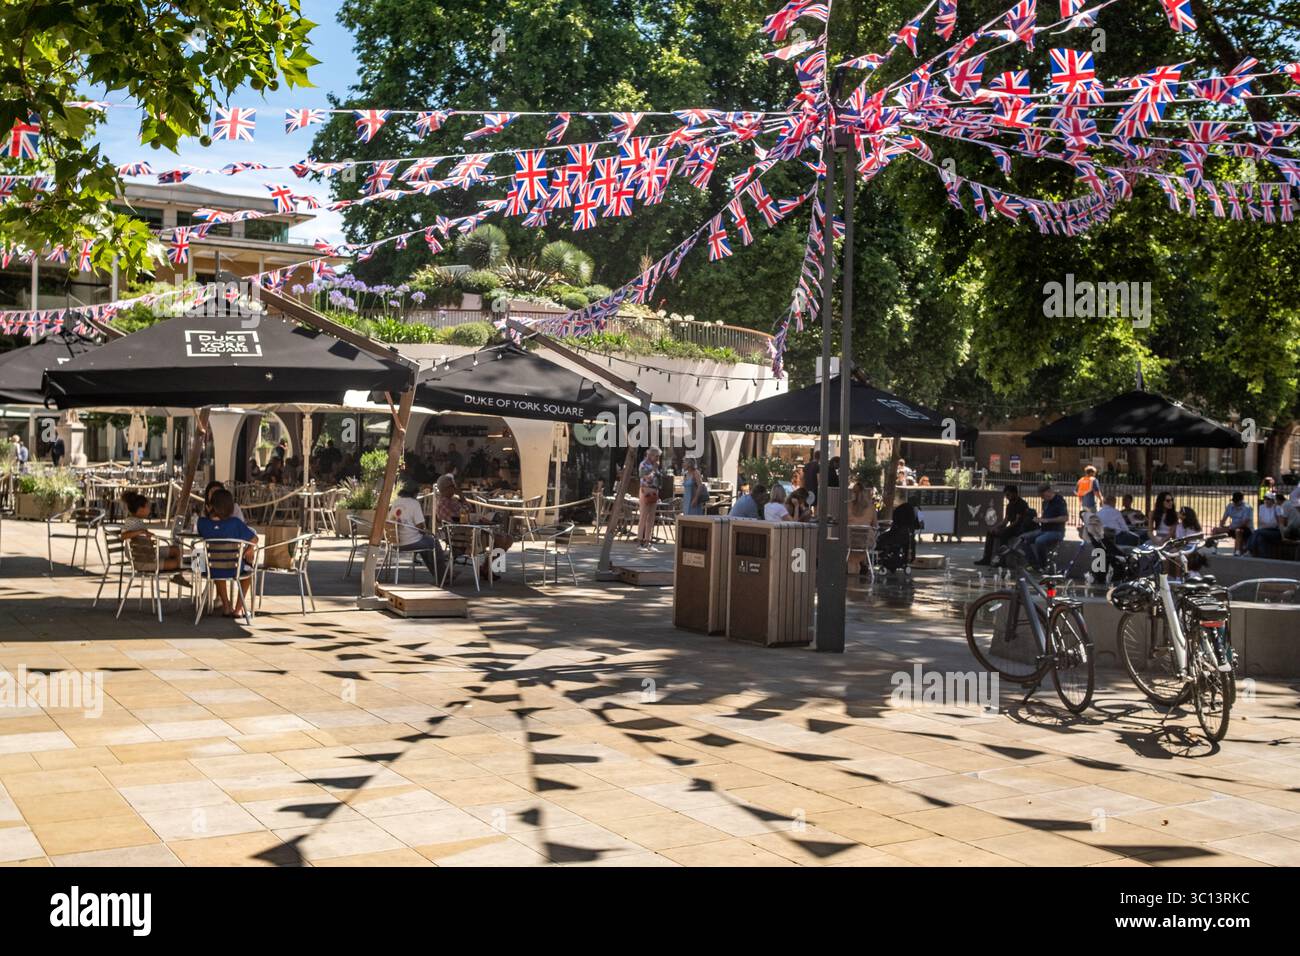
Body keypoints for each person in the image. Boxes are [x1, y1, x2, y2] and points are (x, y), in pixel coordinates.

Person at [197, 488, 258, 618]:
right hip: (235, 569)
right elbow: (254, 538)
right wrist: (249, 549)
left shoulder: (202, 523)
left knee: (214, 564)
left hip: (212, 570)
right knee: (248, 572)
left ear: (210, 506)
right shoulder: (235, 523)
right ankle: (238, 609)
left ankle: (226, 606)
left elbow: (206, 530)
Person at [120, 490, 187, 584]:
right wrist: (141, 531)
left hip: (148, 554)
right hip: (142, 561)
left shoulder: (137, 521)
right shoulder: (131, 521)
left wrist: (146, 533)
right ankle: (200, 571)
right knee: (179, 563)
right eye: (148, 507)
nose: (150, 509)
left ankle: (180, 576)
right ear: (140, 509)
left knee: (176, 550)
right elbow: (123, 536)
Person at [389, 481, 445, 581]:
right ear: (414, 493)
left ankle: (440, 575)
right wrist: (428, 532)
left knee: (426, 544)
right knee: (434, 542)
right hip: (410, 541)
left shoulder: (396, 502)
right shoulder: (414, 503)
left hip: (396, 542)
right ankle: (443, 575)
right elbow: (420, 527)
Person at [975, 484, 1031, 566]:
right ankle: (986, 558)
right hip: (1012, 527)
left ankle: (1002, 560)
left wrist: (1005, 529)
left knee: (1003, 534)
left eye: (1008, 494)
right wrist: (995, 528)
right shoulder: (1009, 505)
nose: (1007, 497)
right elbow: (1005, 520)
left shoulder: (1022, 504)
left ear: (1014, 493)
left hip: (1020, 528)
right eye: (1006, 495)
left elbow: (1017, 521)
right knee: (990, 533)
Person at [1020, 483, 1067, 570]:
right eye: (1040, 495)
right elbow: (1044, 517)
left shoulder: (1059, 501)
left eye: (1043, 495)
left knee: (1039, 541)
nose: (1042, 497)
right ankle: (1034, 564)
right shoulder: (1045, 502)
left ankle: (1043, 565)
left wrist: (1048, 520)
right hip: (1044, 529)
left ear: (1049, 491)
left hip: (1056, 531)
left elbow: (1064, 518)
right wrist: (1039, 520)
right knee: (1023, 538)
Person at [637, 446, 662, 551]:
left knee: (651, 518)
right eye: (656, 456)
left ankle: (648, 542)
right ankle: (640, 542)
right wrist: (654, 469)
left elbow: (658, 478)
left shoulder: (654, 465)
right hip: (645, 490)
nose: (657, 458)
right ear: (650, 455)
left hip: (654, 491)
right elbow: (644, 477)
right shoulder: (643, 464)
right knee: (643, 516)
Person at [1247, 493, 1284, 558]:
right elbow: (1261, 522)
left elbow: (1279, 523)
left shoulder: (1277, 508)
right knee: (1260, 538)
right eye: (1265, 499)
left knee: (1257, 532)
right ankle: (1264, 556)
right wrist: (1269, 525)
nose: (1266, 501)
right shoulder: (1261, 507)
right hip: (1264, 530)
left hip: (1275, 531)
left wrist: (1269, 525)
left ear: (1273, 500)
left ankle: (1249, 549)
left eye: (1268, 499)